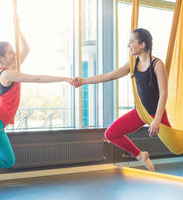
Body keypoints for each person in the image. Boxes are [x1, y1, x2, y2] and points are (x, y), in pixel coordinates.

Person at [0, 20, 73, 171]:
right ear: (1, 58)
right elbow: (37, 79)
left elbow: (27, 49)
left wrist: (18, 29)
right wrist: (64, 78)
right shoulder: (8, 74)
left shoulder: (12, 69)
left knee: (8, 161)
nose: (14, 54)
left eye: (13, 51)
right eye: (10, 52)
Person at [73, 28, 170, 171]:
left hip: (157, 113)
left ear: (142, 45)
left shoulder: (157, 64)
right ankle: (140, 155)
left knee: (177, 145)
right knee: (110, 134)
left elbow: (164, 93)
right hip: (141, 112)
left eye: (131, 42)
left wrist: (157, 119)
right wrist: (83, 80)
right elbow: (109, 76)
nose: (128, 45)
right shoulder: (132, 63)